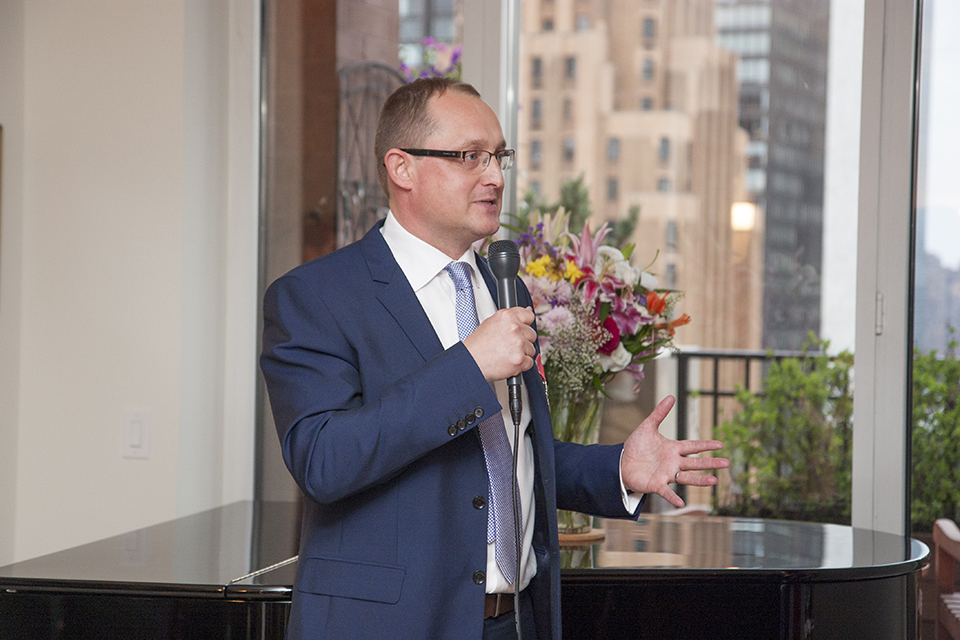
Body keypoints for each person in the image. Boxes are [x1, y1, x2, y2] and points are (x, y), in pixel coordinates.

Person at [260, 77, 729, 640]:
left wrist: (617, 471)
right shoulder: (316, 296)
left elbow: (509, 450)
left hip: (512, 623)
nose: (495, 176)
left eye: (499, 156)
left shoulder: (501, 285)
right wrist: (467, 367)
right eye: (469, 157)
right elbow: (323, 461)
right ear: (401, 168)